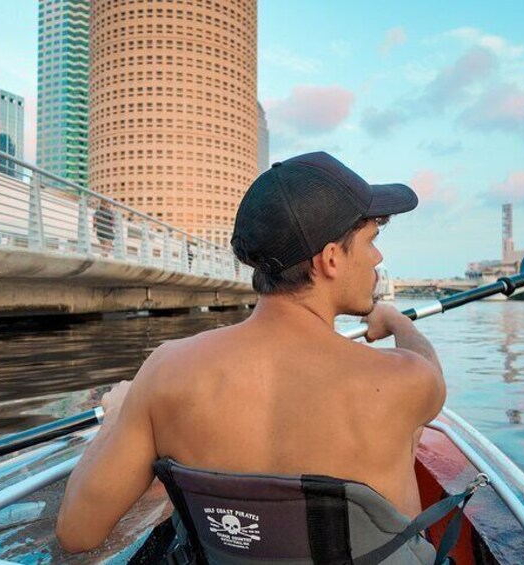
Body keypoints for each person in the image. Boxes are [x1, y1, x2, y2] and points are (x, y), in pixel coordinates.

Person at [57, 152, 446, 560]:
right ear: (331, 259)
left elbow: (77, 532)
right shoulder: (404, 381)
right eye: (371, 241)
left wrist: (117, 419)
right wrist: (401, 324)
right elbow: (430, 373)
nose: (378, 258)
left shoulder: (165, 370)